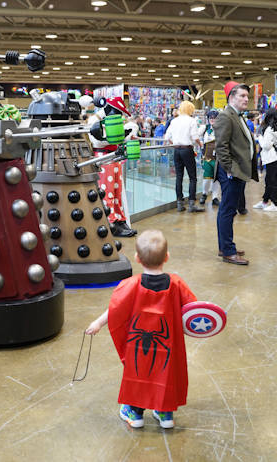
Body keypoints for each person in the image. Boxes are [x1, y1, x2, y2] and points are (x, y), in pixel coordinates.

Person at [85, 229, 197, 429]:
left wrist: (98, 323)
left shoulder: (130, 285)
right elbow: (194, 311)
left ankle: (135, 413)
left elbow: (115, 309)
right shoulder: (177, 284)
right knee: (166, 372)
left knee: (138, 373)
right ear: (167, 257)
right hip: (167, 346)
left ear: (137, 258)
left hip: (138, 348)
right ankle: (165, 413)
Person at [214, 81, 258, 265]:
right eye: (242, 96)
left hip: (238, 171)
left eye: (247, 96)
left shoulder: (236, 115)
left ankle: (225, 246)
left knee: (226, 209)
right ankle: (228, 252)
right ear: (231, 98)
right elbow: (221, 147)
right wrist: (230, 169)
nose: (246, 99)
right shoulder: (226, 116)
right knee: (228, 210)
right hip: (231, 172)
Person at [88, 97, 137, 237]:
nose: (119, 115)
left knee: (117, 192)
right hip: (103, 157)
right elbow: (97, 141)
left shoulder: (109, 120)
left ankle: (120, 219)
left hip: (113, 157)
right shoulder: (94, 121)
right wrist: (118, 137)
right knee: (107, 191)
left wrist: (125, 136)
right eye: (117, 111)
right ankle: (111, 221)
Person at [165, 101, 204, 212]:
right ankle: (191, 204)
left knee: (179, 176)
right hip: (187, 150)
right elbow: (195, 136)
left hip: (177, 149)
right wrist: (200, 143)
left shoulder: (174, 120)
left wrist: (175, 143)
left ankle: (180, 203)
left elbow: (167, 136)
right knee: (192, 177)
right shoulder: (191, 120)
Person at [252, 108, 277, 212]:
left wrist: (260, 138)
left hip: (271, 158)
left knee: (272, 181)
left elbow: (266, 145)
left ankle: (275, 204)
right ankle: (265, 201)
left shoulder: (269, 130)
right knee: (269, 179)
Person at [199, 111, 221, 206]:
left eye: (214, 117)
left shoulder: (221, 129)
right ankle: (204, 194)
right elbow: (195, 136)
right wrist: (200, 144)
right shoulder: (204, 128)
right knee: (207, 178)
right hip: (207, 157)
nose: (212, 119)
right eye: (210, 117)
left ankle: (215, 197)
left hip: (218, 157)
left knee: (216, 179)